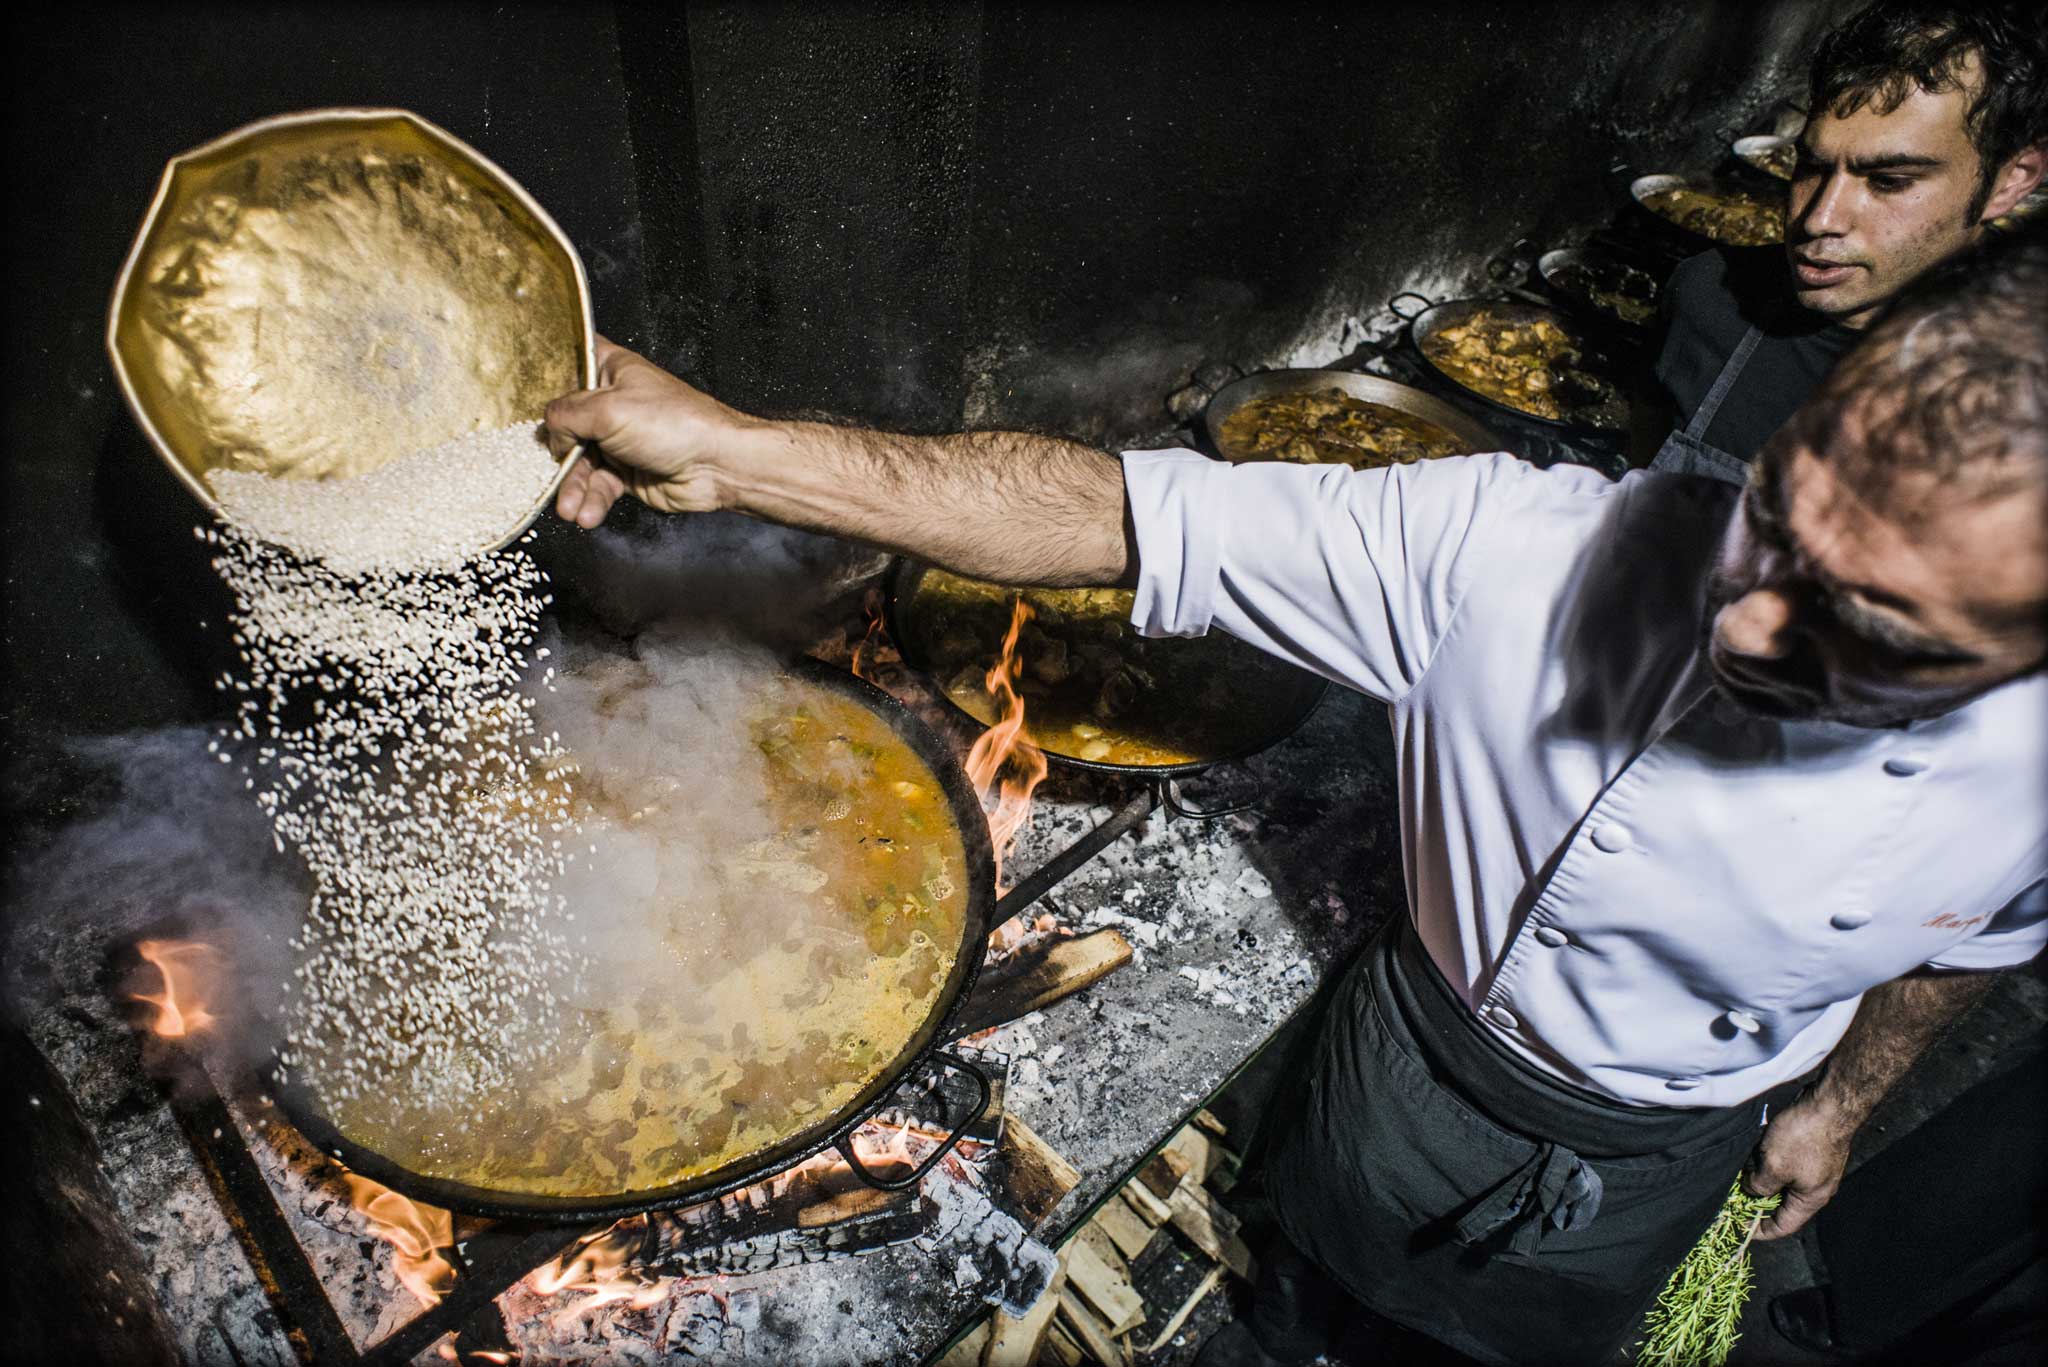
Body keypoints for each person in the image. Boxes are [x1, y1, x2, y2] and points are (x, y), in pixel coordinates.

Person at [540, 227, 2048, 1366]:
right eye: (1779, 516)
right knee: (1297, 1283)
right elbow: (1100, 509)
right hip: (1406, 1045)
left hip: (1659, 1153)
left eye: (1880, 628)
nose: (1749, 627)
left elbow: (1965, 942)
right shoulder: (1528, 548)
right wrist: (738, 451)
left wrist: (1843, 1100)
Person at [1640, 0, 2046, 485]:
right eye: (1813, 167)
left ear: (2010, 182)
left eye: (1889, 181)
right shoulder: (1711, 298)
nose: (1819, 219)